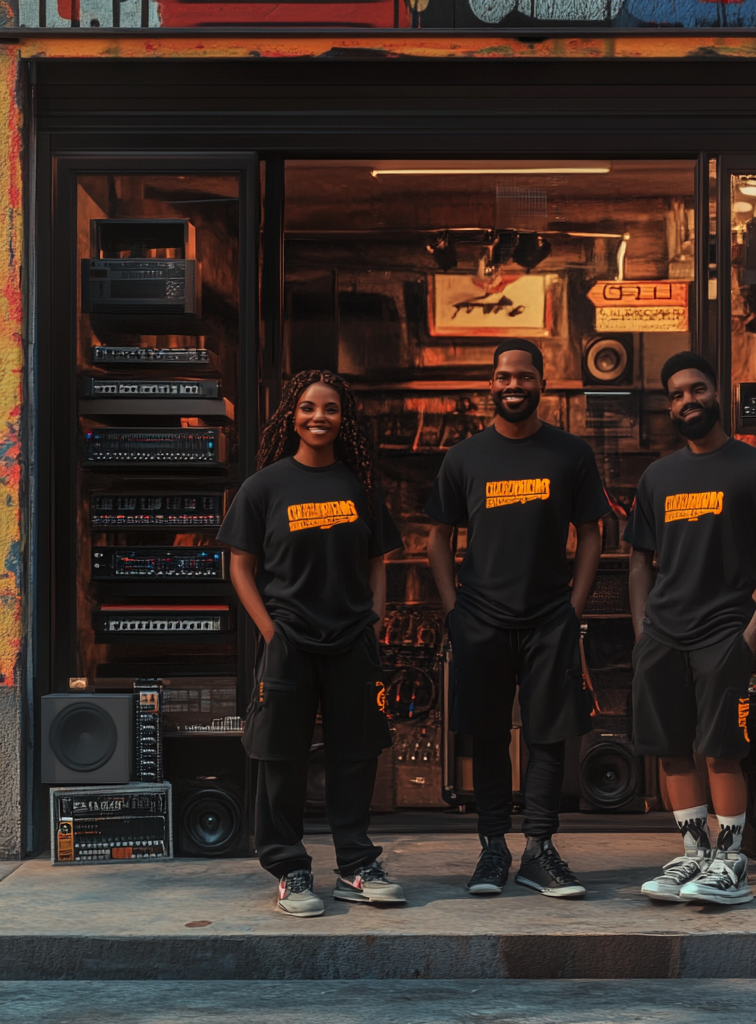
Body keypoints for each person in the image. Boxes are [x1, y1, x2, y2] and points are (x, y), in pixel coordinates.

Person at [426, 339, 610, 898]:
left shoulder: (570, 454)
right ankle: (491, 849)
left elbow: (592, 534)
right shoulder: (463, 458)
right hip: (479, 617)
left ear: (541, 384)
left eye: (524, 377)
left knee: (547, 738)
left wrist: (572, 608)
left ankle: (539, 850)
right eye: (504, 377)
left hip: (548, 616)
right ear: (491, 385)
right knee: (485, 736)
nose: (513, 386)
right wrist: (454, 609)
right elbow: (438, 537)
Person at [219, 369, 406, 917]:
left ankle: (355, 865)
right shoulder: (265, 486)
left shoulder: (360, 486)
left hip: (352, 640)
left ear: (344, 419)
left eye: (330, 409)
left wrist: (373, 619)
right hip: (289, 642)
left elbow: (377, 562)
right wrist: (272, 631)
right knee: (281, 755)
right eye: (307, 408)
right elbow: (241, 567)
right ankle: (290, 869)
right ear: (291, 416)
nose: (318, 417)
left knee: (356, 755)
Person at [625, 351, 756, 906]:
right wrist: (642, 631)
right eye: (676, 394)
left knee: (720, 750)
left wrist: (749, 636)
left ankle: (731, 862)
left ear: (716, 393)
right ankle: (694, 855)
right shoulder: (657, 476)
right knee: (672, 750)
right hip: (663, 635)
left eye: (696, 389)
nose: (687, 400)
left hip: (723, 631)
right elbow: (638, 560)